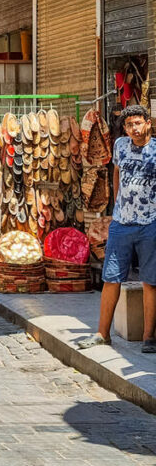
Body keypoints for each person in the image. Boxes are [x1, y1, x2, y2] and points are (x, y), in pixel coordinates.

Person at [78, 105, 156, 353]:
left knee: (150, 282)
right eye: (129, 124)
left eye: (137, 123)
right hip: (121, 223)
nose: (134, 128)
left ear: (148, 124)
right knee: (111, 278)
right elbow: (116, 175)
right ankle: (102, 334)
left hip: (150, 223)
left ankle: (148, 337)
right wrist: (117, 206)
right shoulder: (120, 145)